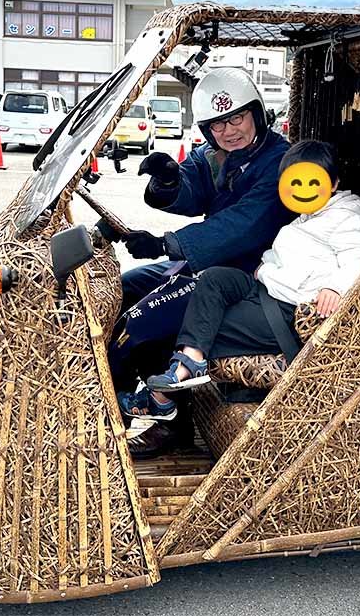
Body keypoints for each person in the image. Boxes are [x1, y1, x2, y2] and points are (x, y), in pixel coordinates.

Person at [98, 67, 294, 451]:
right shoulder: (216, 155)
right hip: (204, 262)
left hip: (243, 274)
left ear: (257, 113)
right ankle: (166, 414)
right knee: (128, 286)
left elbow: (245, 225)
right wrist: (167, 181)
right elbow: (190, 188)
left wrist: (165, 243)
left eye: (237, 117)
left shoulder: (278, 161)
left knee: (136, 325)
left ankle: (126, 424)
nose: (229, 130)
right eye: (217, 124)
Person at [119, 140, 360, 422]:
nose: (302, 190)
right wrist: (265, 266)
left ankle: (163, 397)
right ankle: (191, 361)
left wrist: (335, 287)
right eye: (294, 182)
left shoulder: (345, 218)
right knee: (214, 278)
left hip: (284, 309)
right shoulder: (306, 215)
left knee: (192, 322)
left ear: (334, 183)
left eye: (313, 181)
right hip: (264, 287)